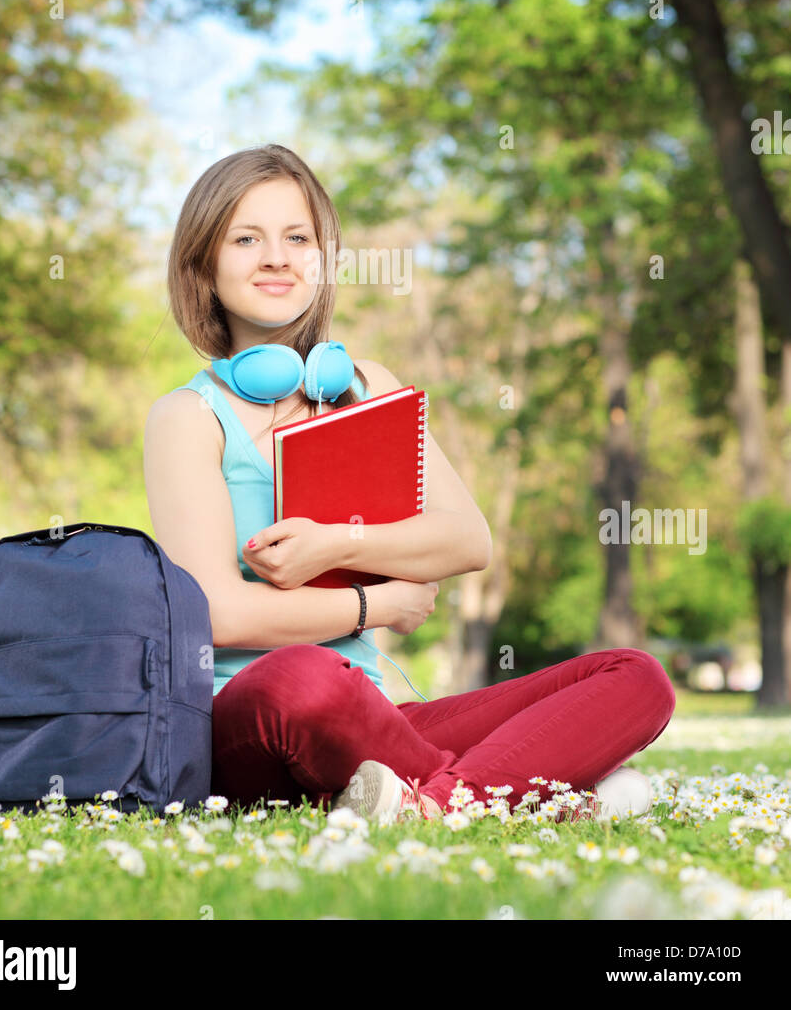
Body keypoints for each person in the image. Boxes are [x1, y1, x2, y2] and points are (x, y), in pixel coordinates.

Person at [143, 144, 676, 824]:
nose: (277, 257)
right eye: (247, 238)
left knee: (635, 677)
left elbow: (467, 539)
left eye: (297, 237)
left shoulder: (366, 387)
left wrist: (333, 545)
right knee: (301, 676)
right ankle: (533, 789)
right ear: (205, 266)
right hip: (259, 715)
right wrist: (378, 606)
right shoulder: (187, 417)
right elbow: (218, 616)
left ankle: (438, 802)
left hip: (383, 722)